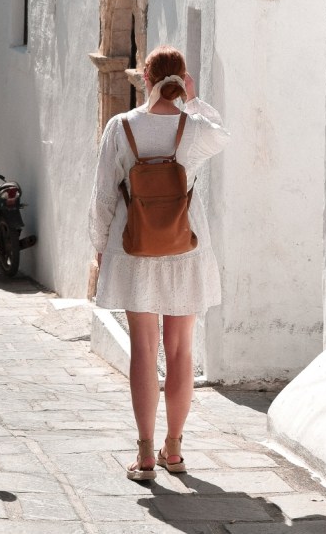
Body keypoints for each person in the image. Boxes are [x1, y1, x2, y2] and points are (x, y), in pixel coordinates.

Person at [88, 44, 230, 482]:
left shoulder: (121, 127)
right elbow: (221, 132)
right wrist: (193, 98)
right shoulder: (195, 129)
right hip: (185, 248)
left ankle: (146, 453)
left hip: (134, 250)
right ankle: (175, 449)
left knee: (144, 351)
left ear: (144, 79)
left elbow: (103, 196)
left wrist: (99, 247)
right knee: (181, 350)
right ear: (181, 80)